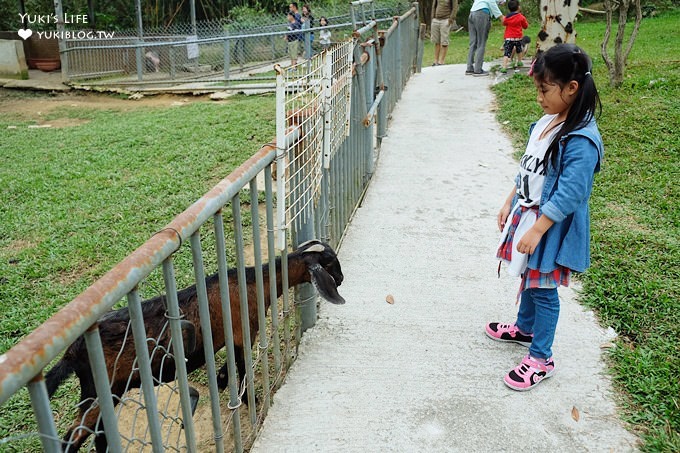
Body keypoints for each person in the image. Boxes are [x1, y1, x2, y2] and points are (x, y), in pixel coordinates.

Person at [486, 44, 603, 391]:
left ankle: (541, 357)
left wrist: (538, 229)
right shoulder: (544, 122)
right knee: (528, 279)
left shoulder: (581, 139)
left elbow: (571, 192)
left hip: (548, 226)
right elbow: (527, 166)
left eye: (544, 89)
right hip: (527, 214)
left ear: (571, 88)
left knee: (544, 289)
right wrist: (510, 200)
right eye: (537, 88)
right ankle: (525, 328)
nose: (538, 97)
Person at [466, 0, 503, 76]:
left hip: (472, 13)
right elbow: (491, 2)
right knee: (481, 42)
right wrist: (501, 16)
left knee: (473, 42)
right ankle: (478, 70)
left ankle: (469, 68)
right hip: (481, 14)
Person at [500, 0, 529, 73]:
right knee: (519, 50)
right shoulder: (521, 17)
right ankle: (519, 61)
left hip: (509, 38)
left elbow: (504, 23)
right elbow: (525, 26)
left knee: (507, 53)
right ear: (518, 7)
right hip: (518, 38)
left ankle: (504, 67)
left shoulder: (507, 17)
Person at [430, 0, 457, 66]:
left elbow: (455, 7)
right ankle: (436, 60)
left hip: (446, 20)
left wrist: (451, 19)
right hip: (436, 19)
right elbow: (434, 5)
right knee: (436, 41)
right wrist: (433, 17)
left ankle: (441, 61)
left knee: (444, 42)